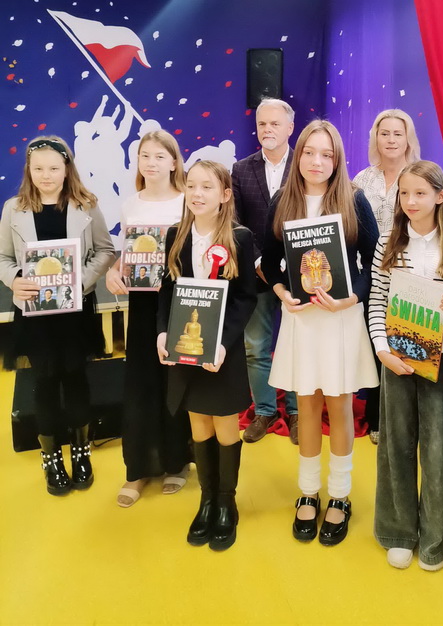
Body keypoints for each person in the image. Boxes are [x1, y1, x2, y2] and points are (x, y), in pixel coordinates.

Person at [262, 120, 379, 546]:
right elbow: (268, 260)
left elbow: (374, 262)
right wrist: (281, 292)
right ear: (298, 156)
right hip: (302, 321)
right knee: (307, 406)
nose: (317, 161)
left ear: (338, 160)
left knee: (341, 407)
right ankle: (308, 490)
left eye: (326, 154)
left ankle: (341, 496)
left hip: (340, 320)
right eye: (309, 152)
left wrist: (352, 299)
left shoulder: (354, 199)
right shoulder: (283, 200)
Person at [368, 160, 443, 571]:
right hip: (395, 356)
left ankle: (434, 538)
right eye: (404, 193)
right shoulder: (388, 242)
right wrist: (382, 350)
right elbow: (377, 300)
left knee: (436, 448)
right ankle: (397, 531)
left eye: (420, 193)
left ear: (440, 196)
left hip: (440, 359)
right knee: (395, 444)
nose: (410, 201)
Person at [0, 136, 114, 495]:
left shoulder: (86, 205)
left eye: (53, 168)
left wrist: (80, 281)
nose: (45, 175)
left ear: (67, 169)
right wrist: (15, 280)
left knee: (77, 377)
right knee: (45, 381)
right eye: (38, 169)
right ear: (28, 170)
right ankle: (51, 457)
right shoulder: (14, 208)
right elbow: (3, 258)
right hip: (35, 313)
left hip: (75, 311)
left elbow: (105, 250)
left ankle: (81, 452)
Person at [157, 160, 257, 550]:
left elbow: (246, 298)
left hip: (222, 350)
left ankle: (226, 502)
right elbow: (168, 290)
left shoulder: (240, 238)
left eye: (207, 187)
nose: (197, 194)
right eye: (192, 186)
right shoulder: (175, 234)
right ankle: (207, 499)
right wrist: (163, 332)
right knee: (199, 423)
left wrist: (224, 342)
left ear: (225, 195)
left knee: (225, 425)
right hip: (186, 345)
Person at [105, 130, 191, 508]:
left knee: (174, 381)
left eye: (159, 156)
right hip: (141, 303)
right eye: (145, 156)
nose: (151, 163)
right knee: (140, 382)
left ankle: (176, 461)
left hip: (178, 301)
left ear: (174, 161)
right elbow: (126, 255)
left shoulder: (188, 201)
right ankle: (137, 469)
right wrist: (114, 272)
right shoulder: (130, 205)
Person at [232, 97, 299, 444]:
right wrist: (259, 262)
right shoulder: (241, 169)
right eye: (262, 124)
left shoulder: (306, 165)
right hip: (256, 274)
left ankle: (298, 412)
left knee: (298, 345)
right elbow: (235, 223)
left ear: (290, 128)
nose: (267, 129)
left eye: (275, 124)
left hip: (298, 274)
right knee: (256, 347)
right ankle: (265, 410)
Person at [354, 109, 421, 445]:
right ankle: (376, 417)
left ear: (408, 138)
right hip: (371, 275)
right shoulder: (361, 180)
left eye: (398, 133)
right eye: (385, 133)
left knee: (407, 346)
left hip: (411, 274)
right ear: (375, 139)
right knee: (376, 345)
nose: (391, 140)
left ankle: (407, 419)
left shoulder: (420, 176)